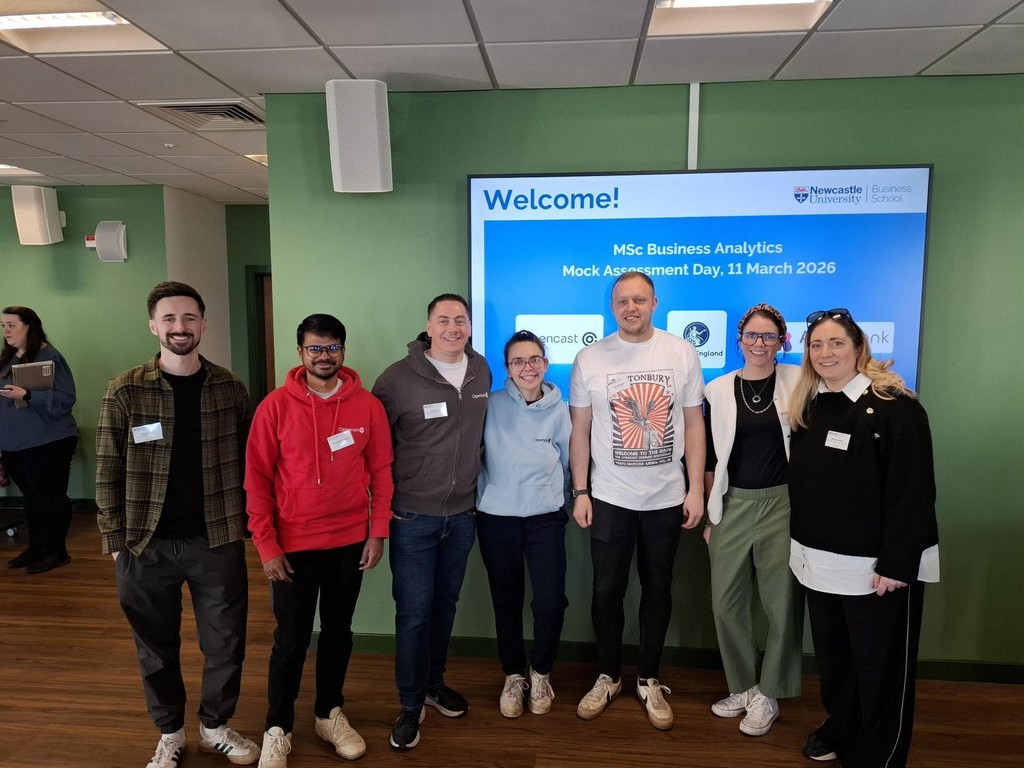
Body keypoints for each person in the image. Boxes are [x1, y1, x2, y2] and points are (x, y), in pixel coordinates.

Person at [96, 282, 259, 768]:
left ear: (203, 324)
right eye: (169, 319)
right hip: (144, 544)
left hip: (216, 538)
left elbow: (251, 464)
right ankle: (169, 732)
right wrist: (114, 539)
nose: (180, 327)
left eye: (189, 318)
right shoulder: (125, 389)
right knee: (155, 647)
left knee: (226, 642)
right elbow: (108, 466)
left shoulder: (230, 389)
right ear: (153, 326)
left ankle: (214, 727)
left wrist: (252, 525)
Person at [788, 308, 939, 767]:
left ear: (858, 348)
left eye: (836, 343)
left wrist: (896, 564)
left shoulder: (896, 407)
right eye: (817, 345)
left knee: (881, 668)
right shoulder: (811, 404)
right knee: (837, 661)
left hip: (878, 569)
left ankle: (879, 751)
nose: (826, 352)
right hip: (820, 562)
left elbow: (913, 493)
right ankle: (843, 725)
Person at [245, 314, 394, 767]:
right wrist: (266, 544)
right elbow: (256, 478)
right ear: (300, 353)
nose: (324, 356)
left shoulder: (367, 405)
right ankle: (278, 727)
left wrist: (378, 530)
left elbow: (383, 471)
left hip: (350, 541)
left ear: (343, 352)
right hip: (293, 546)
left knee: (337, 634)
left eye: (332, 348)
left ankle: (329, 713)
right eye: (315, 348)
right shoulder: (275, 406)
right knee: (290, 641)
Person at [568, 271, 706, 731]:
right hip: (608, 498)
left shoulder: (681, 351)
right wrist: (581, 490)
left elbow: (693, 425)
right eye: (623, 301)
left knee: (658, 589)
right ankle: (608, 674)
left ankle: (648, 677)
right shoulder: (590, 357)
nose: (631, 308)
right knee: (606, 590)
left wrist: (696, 488)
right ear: (613, 307)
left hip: (667, 497)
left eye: (640, 300)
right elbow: (580, 431)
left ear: (654, 303)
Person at [371, 293, 492, 750]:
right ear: (428, 325)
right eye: (444, 320)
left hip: (462, 515)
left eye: (460, 320)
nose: (453, 328)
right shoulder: (398, 379)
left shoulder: (480, 369)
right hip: (412, 516)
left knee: (444, 608)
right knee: (414, 615)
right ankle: (408, 704)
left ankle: (433, 684)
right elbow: (375, 450)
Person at [702, 303, 803, 737]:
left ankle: (770, 693)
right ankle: (743, 685)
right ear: (739, 340)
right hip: (732, 504)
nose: (760, 344)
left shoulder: (800, 381)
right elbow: (708, 455)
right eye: (752, 336)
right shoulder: (718, 388)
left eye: (769, 337)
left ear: (782, 342)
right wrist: (710, 511)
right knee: (726, 604)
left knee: (780, 603)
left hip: (782, 504)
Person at [477, 330, 571, 718]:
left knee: (550, 602)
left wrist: (555, 495)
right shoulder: (491, 405)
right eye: (518, 361)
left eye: (534, 359)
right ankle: (514, 674)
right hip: (496, 516)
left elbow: (568, 462)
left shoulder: (562, 410)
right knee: (506, 601)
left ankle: (541, 671)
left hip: (545, 517)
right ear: (507, 369)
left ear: (546, 364)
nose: (527, 367)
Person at [0, 306, 78, 574]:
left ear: (29, 327)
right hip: (14, 443)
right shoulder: (7, 358)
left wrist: (28, 395)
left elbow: (66, 400)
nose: (6, 331)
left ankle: (56, 552)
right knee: (31, 498)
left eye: (12, 325)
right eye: (3, 326)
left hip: (48, 442)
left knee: (50, 498)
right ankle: (36, 548)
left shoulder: (50, 357)